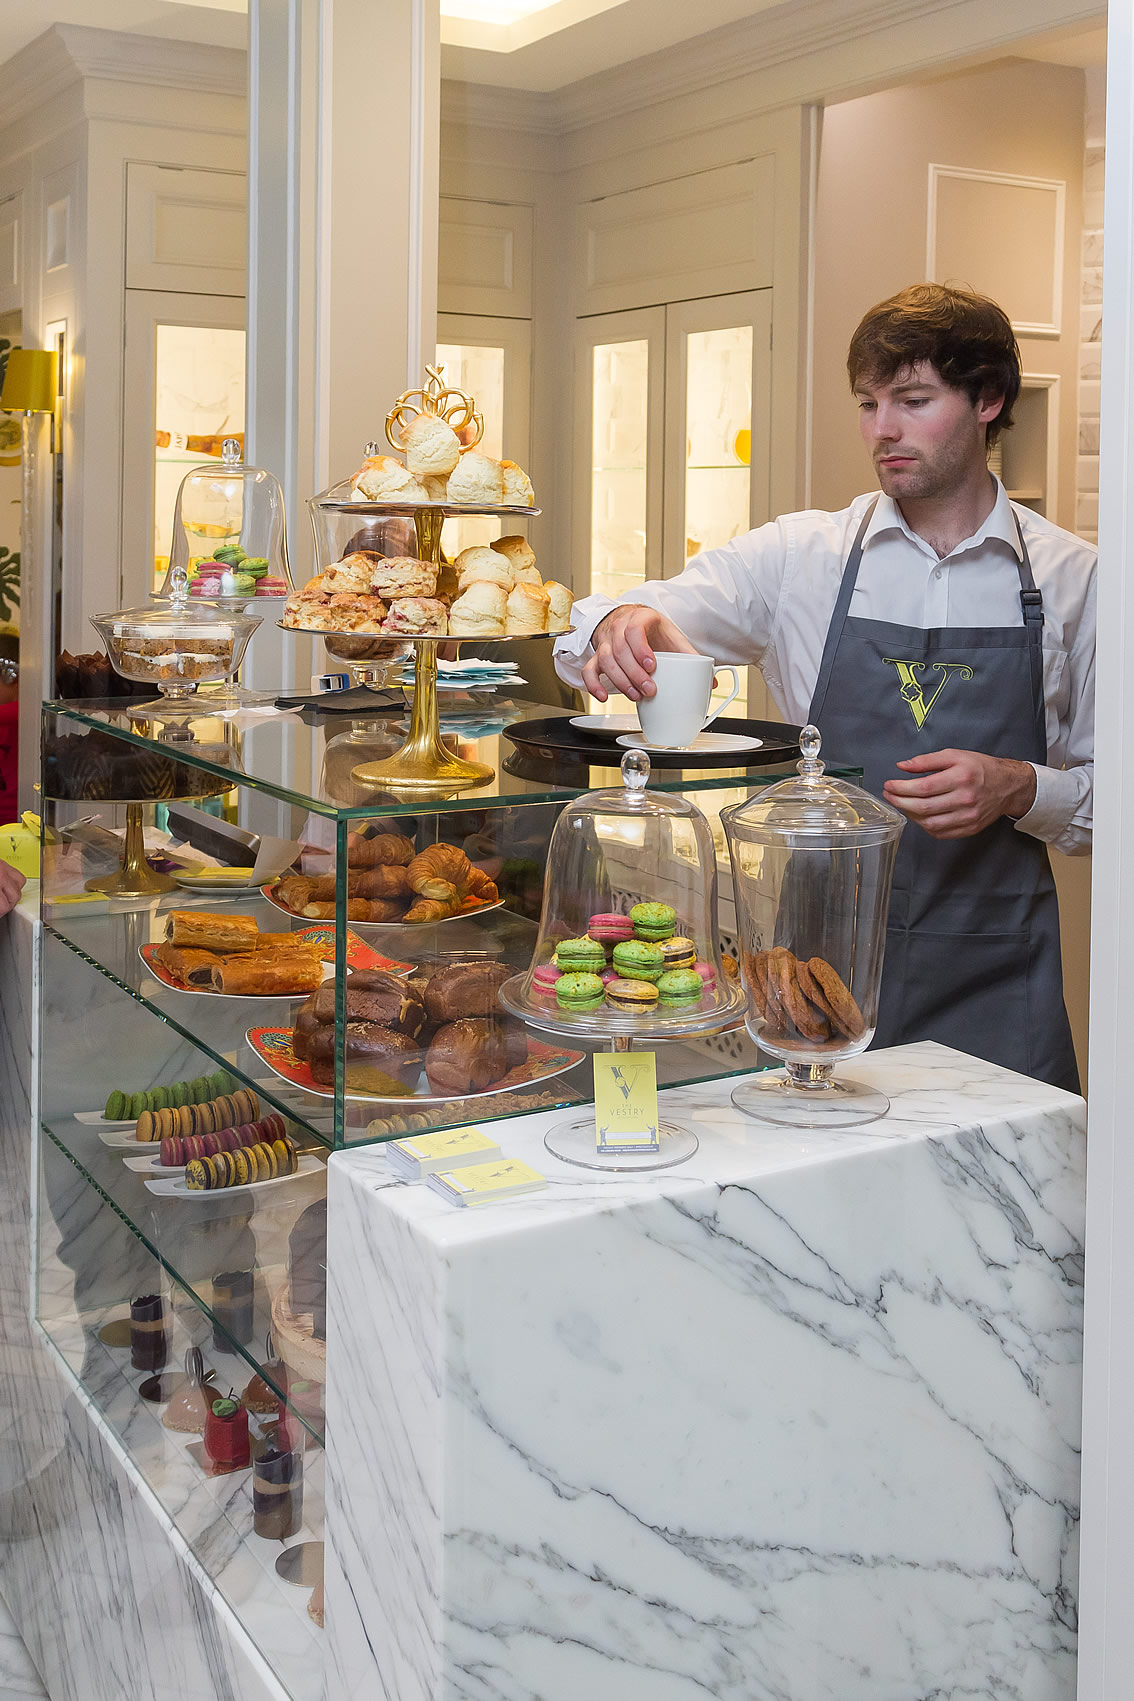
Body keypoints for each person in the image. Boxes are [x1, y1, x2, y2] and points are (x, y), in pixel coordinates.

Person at [554, 284, 1094, 1091]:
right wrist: (615, 623)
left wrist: (1023, 787)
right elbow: (599, 619)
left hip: (997, 974)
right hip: (816, 978)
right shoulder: (803, 558)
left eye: (913, 400)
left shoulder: (1076, 580)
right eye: (869, 403)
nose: (883, 429)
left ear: (989, 399)